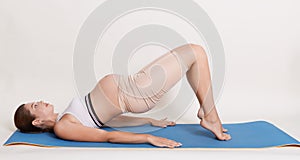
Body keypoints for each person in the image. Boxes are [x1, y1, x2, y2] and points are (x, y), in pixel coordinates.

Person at [14, 43, 231, 148]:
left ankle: (207, 111)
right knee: (195, 52)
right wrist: (147, 137)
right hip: (137, 93)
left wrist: (148, 121)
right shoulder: (63, 128)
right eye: (35, 106)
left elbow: (106, 120)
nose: (41, 101)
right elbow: (107, 136)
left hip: (134, 84)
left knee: (193, 57)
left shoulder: (65, 117)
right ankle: (210, 115)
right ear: (38, 120)